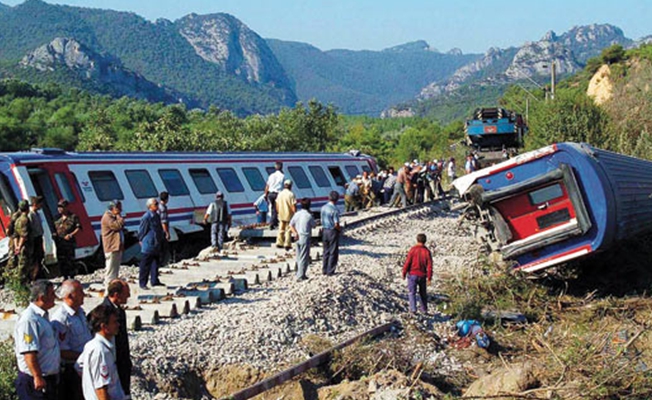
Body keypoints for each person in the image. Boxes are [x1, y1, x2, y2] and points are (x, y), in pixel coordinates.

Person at [14, 280, 60, 400]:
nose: (55, 297)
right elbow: (29, 352)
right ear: (42, 297)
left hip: (48, 379)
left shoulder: (42, 317)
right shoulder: (30, 320)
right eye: (52, 294)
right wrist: (37, 376)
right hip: (34, 381)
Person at [51, 280, 92, 400]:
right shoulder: (61, 319)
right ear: (69, 296)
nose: (83, 295)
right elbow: (62, 351)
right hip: (72, 370)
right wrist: (86, 356)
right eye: (80, 292)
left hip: (85, 366)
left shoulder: (80, 312)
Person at [76, 305, 126, 400]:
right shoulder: (100, 350)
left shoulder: (91, 345)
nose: (118, 325)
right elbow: (101, 389)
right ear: (104, 326)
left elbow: (79, 366)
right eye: (114, 322)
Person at [102, 279, 132, 396]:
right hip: (112, 363)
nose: (129, 296)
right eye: (126, 293)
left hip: (122, 362)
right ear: (116, 295)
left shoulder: (119, 311)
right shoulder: (103, 312)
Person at [402, 233, 434, 314]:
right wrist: (429, 278)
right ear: (425, 241)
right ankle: (424, 310)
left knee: (412, 292)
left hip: (412, 274)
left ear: (417, 240)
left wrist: (404, 272)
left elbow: (407, 262)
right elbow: (430, 266)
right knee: (423, 293)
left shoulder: (412, 250)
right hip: (422, 276)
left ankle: (413, 309)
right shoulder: (427, 251)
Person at [137, 198, 164, 290]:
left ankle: (154, 280)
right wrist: (141, 240)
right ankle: (143, 283)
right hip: (149, 243)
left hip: (156, 243)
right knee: (145, 264)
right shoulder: (146, 217)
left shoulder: (156, 215)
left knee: (156, 262)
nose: (157, 206)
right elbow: (142, 230)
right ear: (150, 206)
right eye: (155, 204)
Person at [289, 198, 316, 281]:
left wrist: (295, 233)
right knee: (304, 257)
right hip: (305, 237)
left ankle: (300, 273)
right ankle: (300, 275)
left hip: (297, 237)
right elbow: (314, 225)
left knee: (298, 256)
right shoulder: (309, 215)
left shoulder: (297, 214)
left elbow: (291, 225)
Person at [53, 199, 81, 280]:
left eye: (61, 207)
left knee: (70, 261)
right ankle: (64, 277)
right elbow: (54, 229)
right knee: (62, 261)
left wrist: (71, 235)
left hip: (69, 243)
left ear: (66, 207)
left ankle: (71, 277)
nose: (59, 209)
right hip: (60, 243)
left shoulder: (73, 217)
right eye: (58, 207)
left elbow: (78, 228)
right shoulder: (56, 218)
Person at [101, 200, 125, 288]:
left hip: (116, 247)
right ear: (113, 208)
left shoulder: (113, 216)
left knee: (115, 270)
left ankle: (113, 287)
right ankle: (108, 288)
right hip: (111, 247)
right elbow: (117, 226)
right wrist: (119, 217)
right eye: (119, 208)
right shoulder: (107, 217)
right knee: (110, 270)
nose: (121, 210)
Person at [320, 191, 341, 276]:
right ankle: (330, 270)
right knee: (333, 251)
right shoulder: (335, 209)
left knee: (325, 251)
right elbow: (336, 224)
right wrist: (339, 230)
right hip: (332, 231)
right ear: (337, 199)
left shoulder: (323, 207)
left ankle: (324, 269)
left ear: (329, 198)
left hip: (324, 230)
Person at [12, 201, 33, 284]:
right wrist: (19, 246)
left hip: (20, 246)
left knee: (21, 265)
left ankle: (21, 283)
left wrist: (16, 245)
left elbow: (15, 235)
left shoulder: (17, 220)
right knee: (24, 266)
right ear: (27, 208)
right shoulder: (25, 220)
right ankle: (22, 284)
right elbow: (23, 235)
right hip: (25, 247)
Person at [275, 180, 296, 250]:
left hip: (281, 213)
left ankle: (279, 242)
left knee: (281, 228)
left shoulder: (280, 194)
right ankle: (287, 243)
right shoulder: (291, 194)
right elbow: (293, 205)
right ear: (290, 186)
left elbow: (277, 204)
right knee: (288, 229)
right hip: (289, 214)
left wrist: (278, 212)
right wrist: (295, 213)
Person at [28, 196, 45, 281]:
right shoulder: (31, 215)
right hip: (34, 239)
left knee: (40, 257)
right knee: (35, 259)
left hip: (39, 238)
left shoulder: (37, 214)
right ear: (35, 204)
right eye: (40, 204)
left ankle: (40, 275)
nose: (41, 206)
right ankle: (35, 277)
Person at [264, 161, 285, 230]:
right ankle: (274, 223)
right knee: (277, 209)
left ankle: (273, 222)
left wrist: (265, 195)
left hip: (270, 194)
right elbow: (283, 186)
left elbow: (267, 186)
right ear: (281, 167)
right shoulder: (282, 176)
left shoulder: (271, 175)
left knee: (273, 208)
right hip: (277, 194)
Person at [158, 191, 171, 267]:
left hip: (158, 231)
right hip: (162, 231)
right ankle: (162, 263)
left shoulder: (158, 206)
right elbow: (163, 221)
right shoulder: (163, 208)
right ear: (166, 199)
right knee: (163, 248)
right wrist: (167, 232)